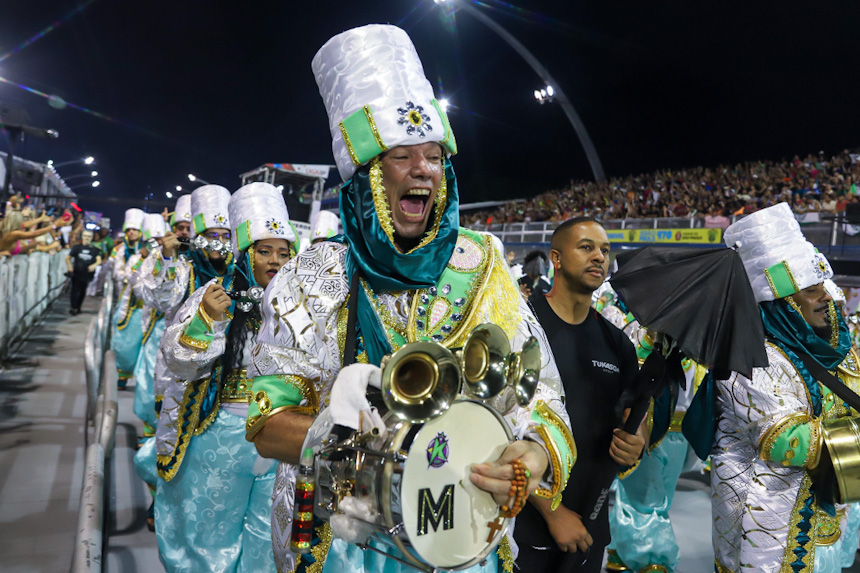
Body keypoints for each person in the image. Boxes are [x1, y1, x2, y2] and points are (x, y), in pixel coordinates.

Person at [245, 24, 575, 573]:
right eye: (402, 155)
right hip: (345, 544)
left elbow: (542, 398)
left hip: (461, 535)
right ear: (367, 175)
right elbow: (266, 421)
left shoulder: (483, 263)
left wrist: (535, 454)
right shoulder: (315, 272)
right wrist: (375, 452)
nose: (424, 168)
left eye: (435, 155)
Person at [711, 202, 860, 571]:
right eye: (812, 290)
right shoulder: (748, 358)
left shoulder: (835, 347)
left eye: (823, 285)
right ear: (781, 303)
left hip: (830, 505)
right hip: (768, 516)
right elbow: (786, 441)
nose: (826, 296)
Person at [155, 182, 295, 572]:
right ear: (246, 253)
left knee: (268, 540)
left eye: (284, 253)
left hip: (281, 439)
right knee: (208, 535)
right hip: (222, 434)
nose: (275, 260)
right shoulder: (213, 295)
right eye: (264, 251)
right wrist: (209, 321)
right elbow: (179, 360)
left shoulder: (306, 305)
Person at [514, 217, 646, 573]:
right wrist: (552, 510)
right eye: (586, 247)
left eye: (604, 250)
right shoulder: (521, 327)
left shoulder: (615, 341)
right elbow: (501, 428)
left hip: (590, 525)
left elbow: (633, 418)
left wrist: (636, 443)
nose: (599, 257)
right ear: (556, 259)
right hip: (523, 524)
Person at [111, 208, 146, 388]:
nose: (131, 232)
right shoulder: (121, 251)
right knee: (124, 343)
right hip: (129, 302)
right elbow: (118, 274)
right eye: (128, 230)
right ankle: (122, 376)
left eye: (135, 229)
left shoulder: (149, 250)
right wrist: (131, 275)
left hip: (147, 305)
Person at [65, 229, 102, 315]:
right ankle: (73, 307)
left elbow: (99, 260)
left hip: (87, 274)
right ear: (82, 236)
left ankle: (78, 307)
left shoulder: (95, 249)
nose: (87, 238)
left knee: (82, 290)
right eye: (85, 236)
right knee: (74, 290)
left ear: (92, 238)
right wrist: (69, 266)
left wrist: (94, 265)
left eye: (89, 236)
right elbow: (68, 258)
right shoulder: (77, 247)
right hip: (77, 272)